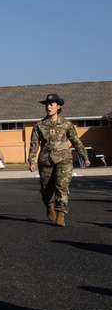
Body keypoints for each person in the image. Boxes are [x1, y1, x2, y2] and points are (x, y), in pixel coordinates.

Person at [28, 93, 89, 226]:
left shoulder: (66, 124)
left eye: (52, 104)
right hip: (45, 160)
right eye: (47, 105)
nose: (48, 107)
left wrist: (84, 156)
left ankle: (61, 214)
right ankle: (49, 206)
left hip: (64, 160)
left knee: (62, 187)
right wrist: (32, 161)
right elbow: (34, 145)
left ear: (58, 106)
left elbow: (75, 141)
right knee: (46, 189)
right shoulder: (39, 125)